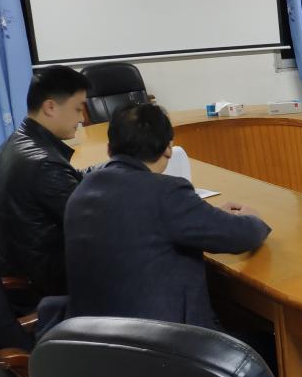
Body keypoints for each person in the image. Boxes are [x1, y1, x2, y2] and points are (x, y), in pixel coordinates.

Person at [64, 103, 271, 331]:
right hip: (160, 340)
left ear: (109, 149)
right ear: (169, 148)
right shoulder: (166, 192)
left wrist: (203, 214)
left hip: (92, 336)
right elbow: (240, 236)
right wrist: (253, 219)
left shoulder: (81, 191)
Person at [0, 65, 92, 296]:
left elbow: (72, 178)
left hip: (20, 269)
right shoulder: (44, 164)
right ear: (50, 107)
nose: (81, 119)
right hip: (45, 288)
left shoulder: (16, 142)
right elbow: (93, 222)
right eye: (78, 109)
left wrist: (110, 169)